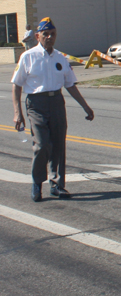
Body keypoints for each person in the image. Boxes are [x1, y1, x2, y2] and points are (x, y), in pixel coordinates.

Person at [12, 17, 94, 202]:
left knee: (58, 144)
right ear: (37, 36)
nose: (49, 37)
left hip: (56, 102)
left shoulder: (60, 57)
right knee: (41, 145)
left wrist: (85, 106)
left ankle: (57, 185)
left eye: (52, 34)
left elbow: (70, 85)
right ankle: (37, 182)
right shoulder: (28, 56)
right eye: (45, 34)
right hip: (36, 104)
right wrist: (18, 112)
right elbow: (16, 85)